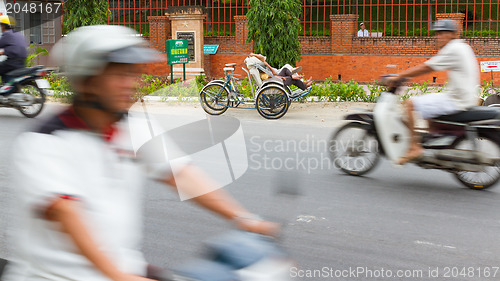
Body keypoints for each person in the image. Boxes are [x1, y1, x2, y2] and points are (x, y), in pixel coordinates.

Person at [3, 25, 277, 281]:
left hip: (122, 268)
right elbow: (68, 215)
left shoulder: (133, 126)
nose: (131, 84)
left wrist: (245, 219)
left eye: (133, 73)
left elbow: (180, 173)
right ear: (87, 80)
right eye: (119, 75)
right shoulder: (43, 143)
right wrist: (119, 276)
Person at [385, 19, 480, 164]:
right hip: (463, 96)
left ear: (453, 34)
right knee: (428, 103)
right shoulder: (462, 46)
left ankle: (414, 148)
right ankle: (433, 143)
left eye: (442, 33)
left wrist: (400, 76)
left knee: (410, 104)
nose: (437, 37)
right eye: (437, 33)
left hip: (457, 100)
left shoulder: (453, 48)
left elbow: (427, 67)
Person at [247, 53, 312, 91]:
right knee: (291, 73)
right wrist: (268, 66)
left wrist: (254, 55)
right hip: (277, 78)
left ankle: (298, 78)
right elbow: (274, 75)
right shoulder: (263, 74)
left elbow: (262, 58)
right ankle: (304, 85)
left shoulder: (263, 71)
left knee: (288, 70)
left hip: (277, 76)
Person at [0, 15, 27, 83]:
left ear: (3, 26)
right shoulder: (18, 34)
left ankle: (5, 89)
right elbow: (14, 47)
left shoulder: (7, 34)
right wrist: (3, 52)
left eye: (1, 25)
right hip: (22, 62)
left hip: (12, 63)